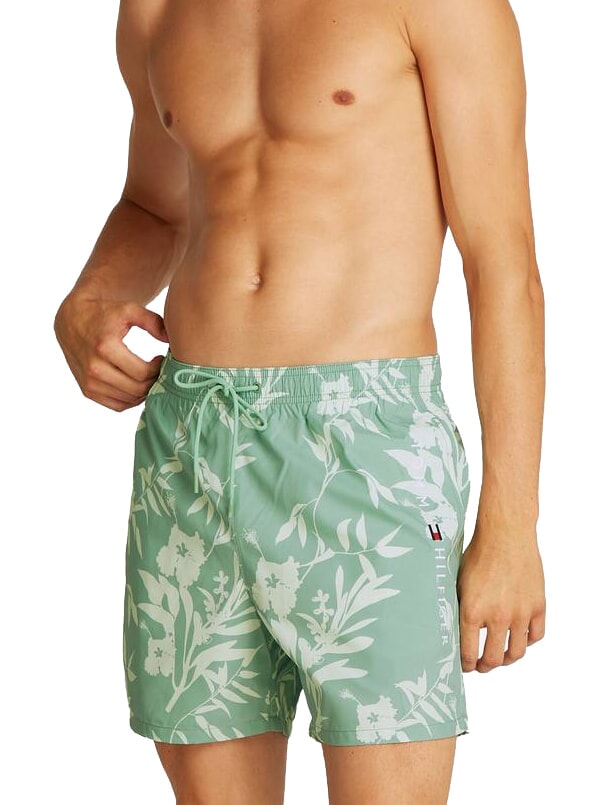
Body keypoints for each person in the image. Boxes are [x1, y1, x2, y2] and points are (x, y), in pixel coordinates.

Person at [54, 0, 546, 802]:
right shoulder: (154, 10)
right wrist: (87, 300)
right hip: (190, 440)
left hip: (369, 446)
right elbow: (155, 205)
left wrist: (511, 528)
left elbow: (502, 261)